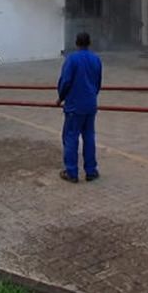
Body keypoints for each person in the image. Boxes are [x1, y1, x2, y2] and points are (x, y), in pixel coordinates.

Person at [56, 32, 102, 183]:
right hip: (90, 104)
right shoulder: (96, 59)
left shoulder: (72, 59)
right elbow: (98, 82)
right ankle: (91, 171)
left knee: (71, 137)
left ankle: (71, 172)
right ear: (89, 43)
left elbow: (65, 81)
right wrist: (91, 96)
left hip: (75, 106)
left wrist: (61, 97)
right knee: (89, 137)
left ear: (76, 43)